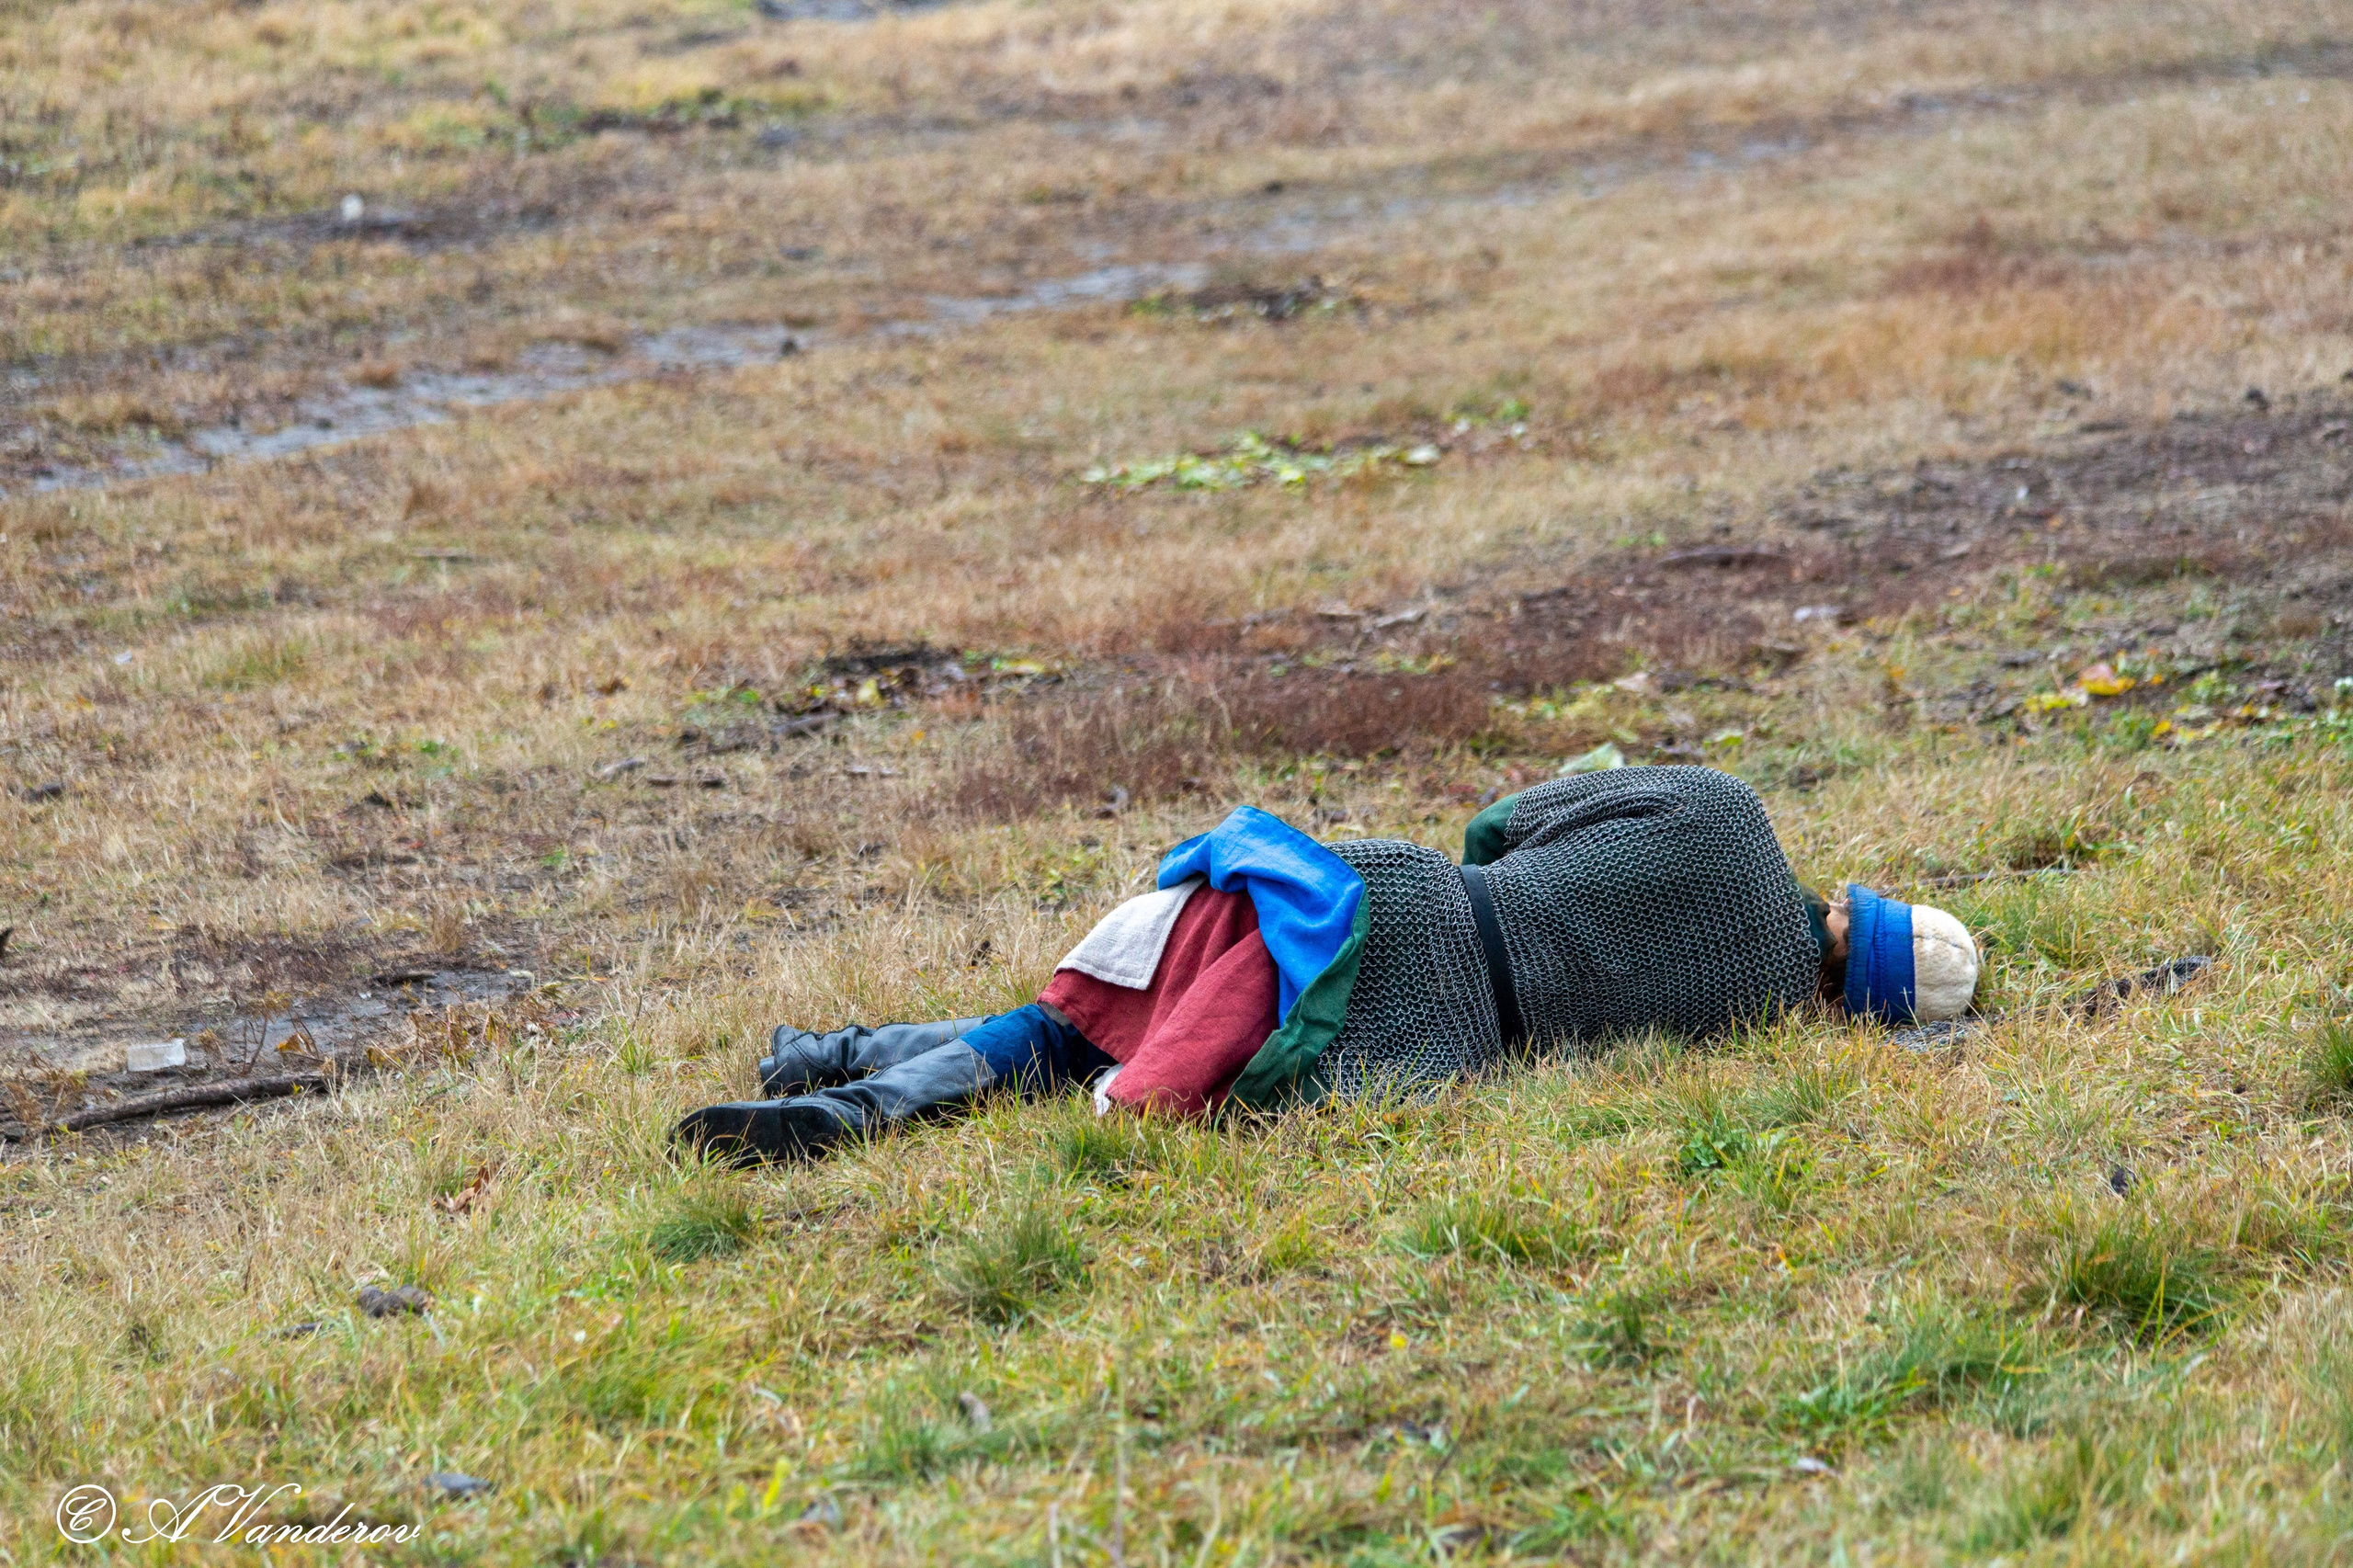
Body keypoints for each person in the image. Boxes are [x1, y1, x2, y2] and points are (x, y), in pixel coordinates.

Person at [673, 766, 1980, 1164]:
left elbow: (1503, 826)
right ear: (1855, 1003)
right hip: (1432, 1044)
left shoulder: (1728, 814)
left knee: (1102, 1013)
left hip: (1397, 900)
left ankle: (845, 1075)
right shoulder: (1755, 1016)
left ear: (1859, 906)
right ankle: (846, 1081)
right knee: (1151, 1048)